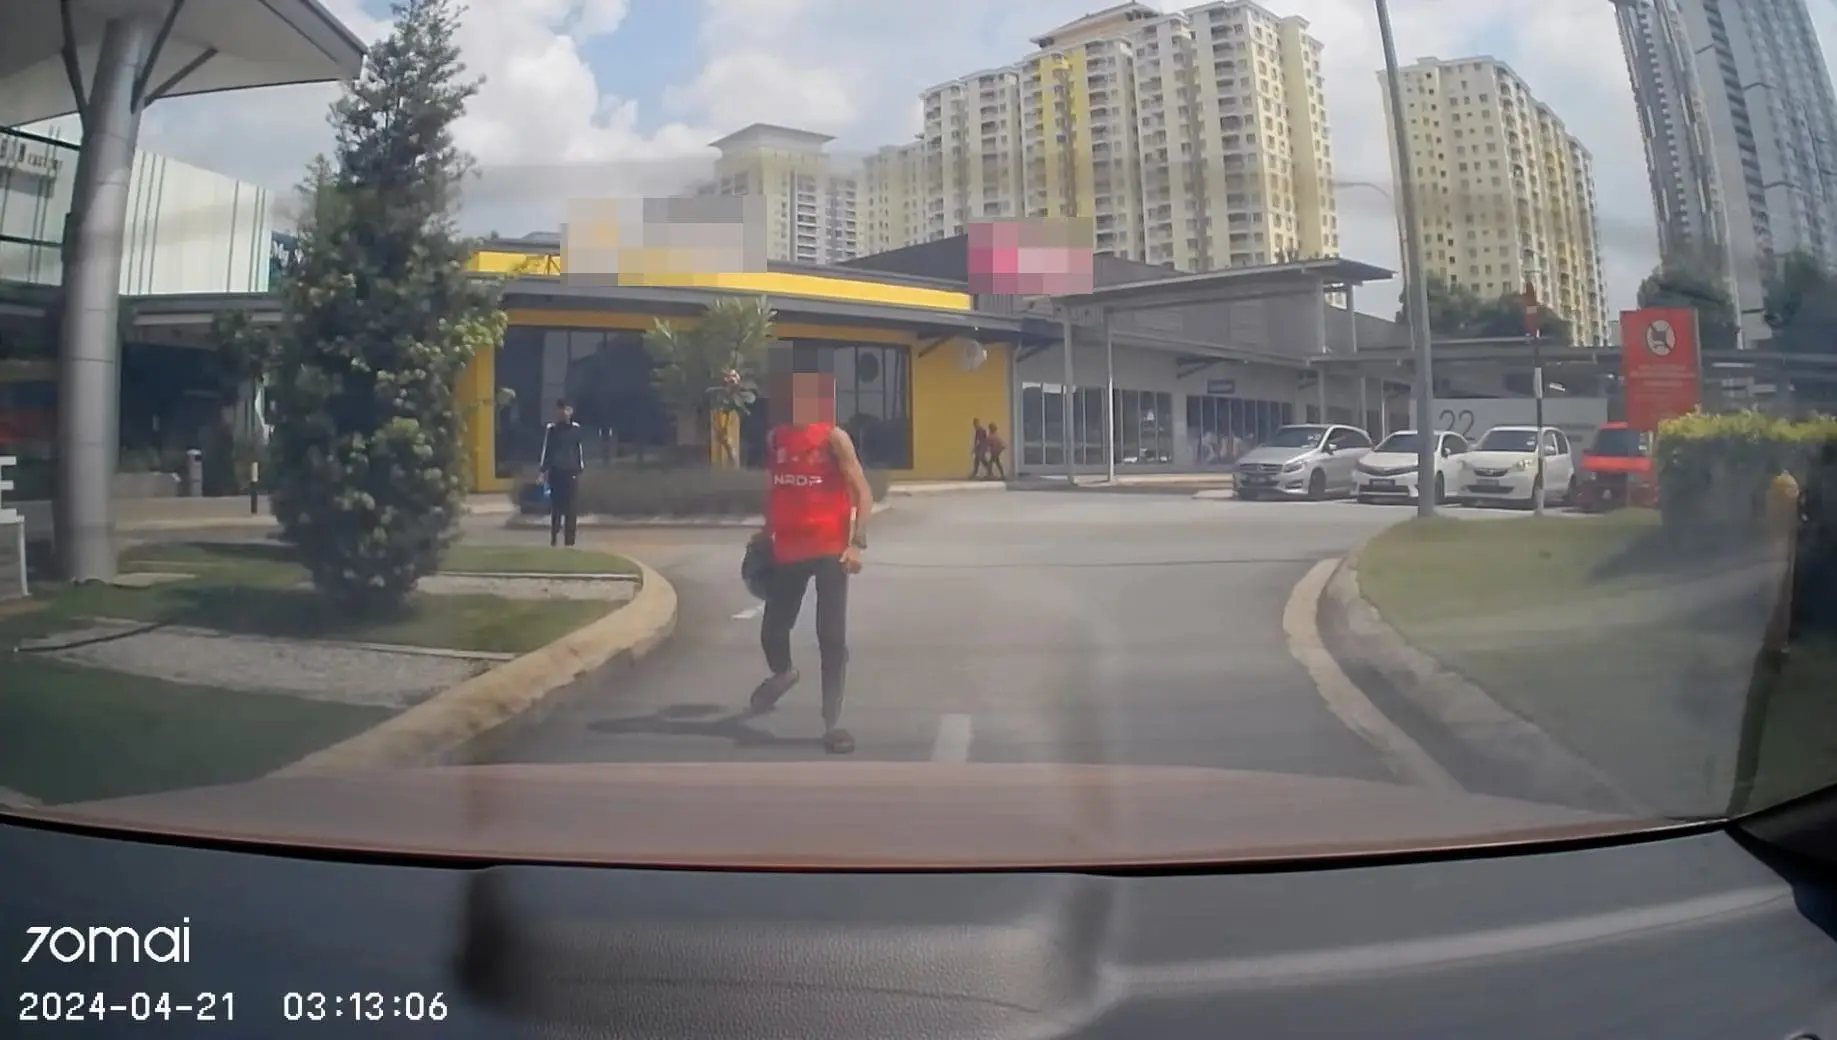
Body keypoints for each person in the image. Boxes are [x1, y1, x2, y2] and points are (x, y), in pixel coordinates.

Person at [749, 365, 874, 754]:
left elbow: (863, 492)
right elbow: (778, 489)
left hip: (830, 550)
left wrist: (857, 543)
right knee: (772, 630)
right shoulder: (778, 438)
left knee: (831, 636)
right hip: (787, 549)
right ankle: (784, 673)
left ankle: (832, 722)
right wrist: (764, 531)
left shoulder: (834, 439)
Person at [539, 398, 584, 547]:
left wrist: (579, 468)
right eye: (561, 409)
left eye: (567, 409)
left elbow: (579, 450)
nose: (564, 412)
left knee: (571, 509)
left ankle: (570, 542)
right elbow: (547, 450)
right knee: (556, 507)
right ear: (557, 411)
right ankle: (554, 537)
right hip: (556, 472)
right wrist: (543, 470)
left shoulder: (576, 429)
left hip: (571, 472)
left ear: (571, 411)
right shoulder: (552, 429)